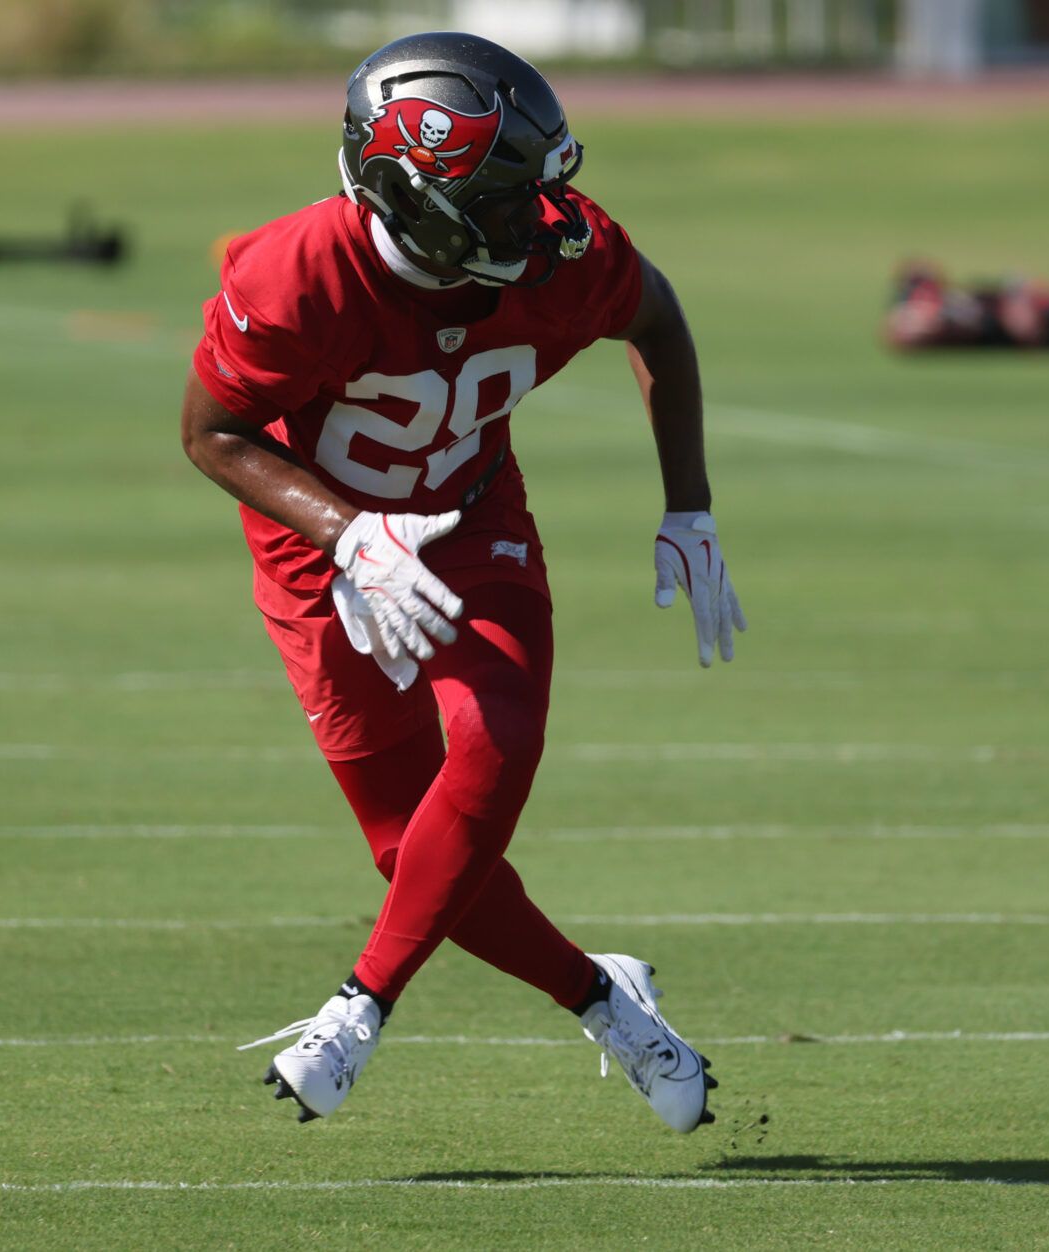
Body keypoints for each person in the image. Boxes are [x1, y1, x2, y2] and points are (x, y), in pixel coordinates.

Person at [180, 32, 745, 1134]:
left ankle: (360, 1006)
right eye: (499, 200)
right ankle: (601, 994)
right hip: (315, 544)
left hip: (471, 514)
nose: (534, 220)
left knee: (493, 745)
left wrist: (690, 502)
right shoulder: (292, 275)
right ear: (416, 198)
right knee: (416, 853)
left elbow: (659, 322)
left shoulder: (566, 252)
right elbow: (213, 434)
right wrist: (349, 536)